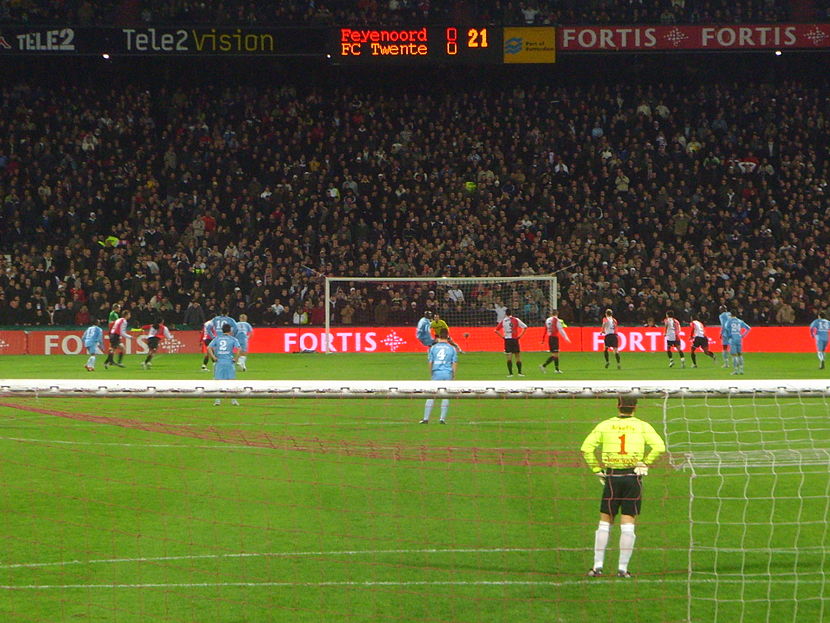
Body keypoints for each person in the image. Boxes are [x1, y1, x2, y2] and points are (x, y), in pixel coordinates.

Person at [581, 396, 666, 578]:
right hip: (632, 477)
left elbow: (586, 448)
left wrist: (596, 469)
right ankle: (622, 568)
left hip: (612, 476)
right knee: (628, 523)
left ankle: (597, 566)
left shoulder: (605, 425)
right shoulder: (642, 425)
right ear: (635, 407)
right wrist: (644, 463)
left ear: (618, 405)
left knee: (605, 521)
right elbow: (659, 446)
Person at [420, 328, 458, 424]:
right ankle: (442, 419)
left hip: (436, 373)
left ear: (439, 336)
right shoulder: (452, 348)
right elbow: (454, 363)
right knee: (446, 396)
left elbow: (430, 362)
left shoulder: (433, 348)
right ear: (447, 336)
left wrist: (431, 373)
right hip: (447, 373)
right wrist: (453, 375)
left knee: (431, 395)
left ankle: (426, 419)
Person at [208, 323, 241, 406]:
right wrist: (236, 359)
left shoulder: (217, 338)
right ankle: (234, 400)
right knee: (232, 381)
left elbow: (209, 348)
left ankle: (217, 400)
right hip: (229, 362)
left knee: (218, 381)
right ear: (230, 330)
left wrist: (214, 357)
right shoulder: (233, 339)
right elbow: (239, 349)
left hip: (219, 362)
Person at [494, 309, 527, 377]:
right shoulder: (516, 319)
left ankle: (510, 373)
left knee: (509, 357)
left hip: (507, 340)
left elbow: (496, 330)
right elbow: (525, 327)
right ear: (511, 313)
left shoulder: (503, 321)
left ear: (505, 314)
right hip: (515, 339)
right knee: (517, 356)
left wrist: (503, 337)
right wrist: (520, 336)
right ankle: (519, 373)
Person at [539, 309, 570, 374]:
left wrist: (543, 339)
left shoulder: (547, 320)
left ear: (551, 313)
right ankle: (543, 365)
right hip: (554, 338)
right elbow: (561, 330)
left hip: (550, 337)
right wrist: (566, 338)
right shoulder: (557, 320)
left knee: (556, 354)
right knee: (555, 354)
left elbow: (546, 329)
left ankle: (557, 369)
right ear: (557, 314)